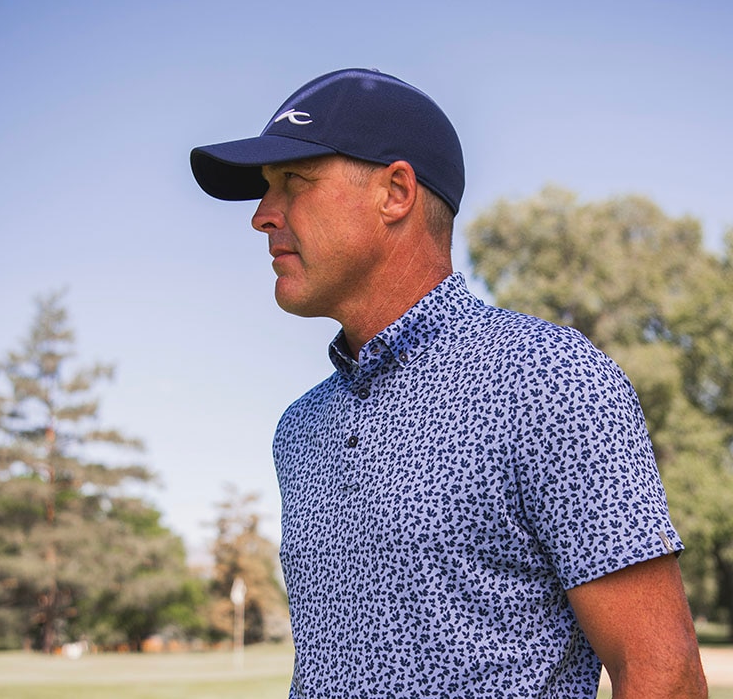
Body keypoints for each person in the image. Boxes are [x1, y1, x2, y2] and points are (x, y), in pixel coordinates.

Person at [190, 68, 707, 698]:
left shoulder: (546, 380)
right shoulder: (301, 429)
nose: (262, 216)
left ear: (396, 191)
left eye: (293, 182)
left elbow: (663, 672)